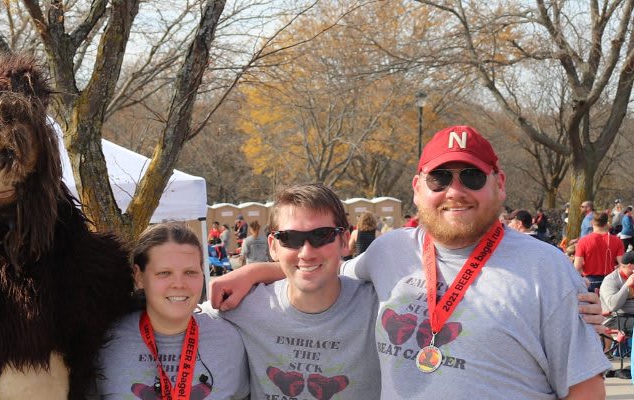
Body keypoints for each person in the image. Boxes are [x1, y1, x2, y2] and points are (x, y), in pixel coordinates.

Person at [211, 126, 608, 398]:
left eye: (471, 176)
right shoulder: (389, 251)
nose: (455, 191)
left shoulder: (545, 268)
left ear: (499, 184)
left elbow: (585, 389)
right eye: (439, 178)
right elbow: (321, 267)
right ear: (418, 189)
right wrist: (253, 272)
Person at [221, 184, 380, 399]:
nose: (306, 252)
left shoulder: (379, 309)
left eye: (322, 235)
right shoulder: (242, 307)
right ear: (273, 246)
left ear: (344, 240)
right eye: (290, 238)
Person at [92, 222, 250, 398]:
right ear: (139, 277)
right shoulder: (106, 342)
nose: (179, 284)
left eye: (190, 272)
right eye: (164, 273)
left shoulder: (228, 340)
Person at [575, 212, 624, 293]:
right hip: (610, 279)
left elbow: (577, 266)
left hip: (590, 281)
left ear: (592, 223)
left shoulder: (583, 241)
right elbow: (622, 264)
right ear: (607, 224)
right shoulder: (617, 241)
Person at [599, 251, 634, 332]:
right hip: (615, 318)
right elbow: (613, 306)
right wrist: (627, 285)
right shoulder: (611, 280)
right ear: (631, 266)